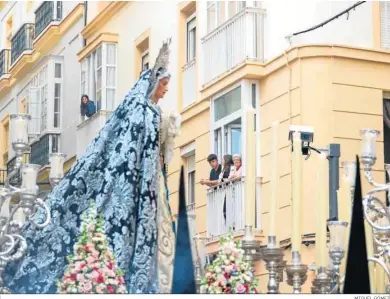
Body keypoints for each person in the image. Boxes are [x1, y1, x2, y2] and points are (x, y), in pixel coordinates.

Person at [4, 39, 180, 294]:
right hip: (133, 188)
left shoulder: (148, 112)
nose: (165, 91)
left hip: (142, 187)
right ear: (153, 83)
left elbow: (153, 152)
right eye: (164, 84)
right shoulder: (144, 112)